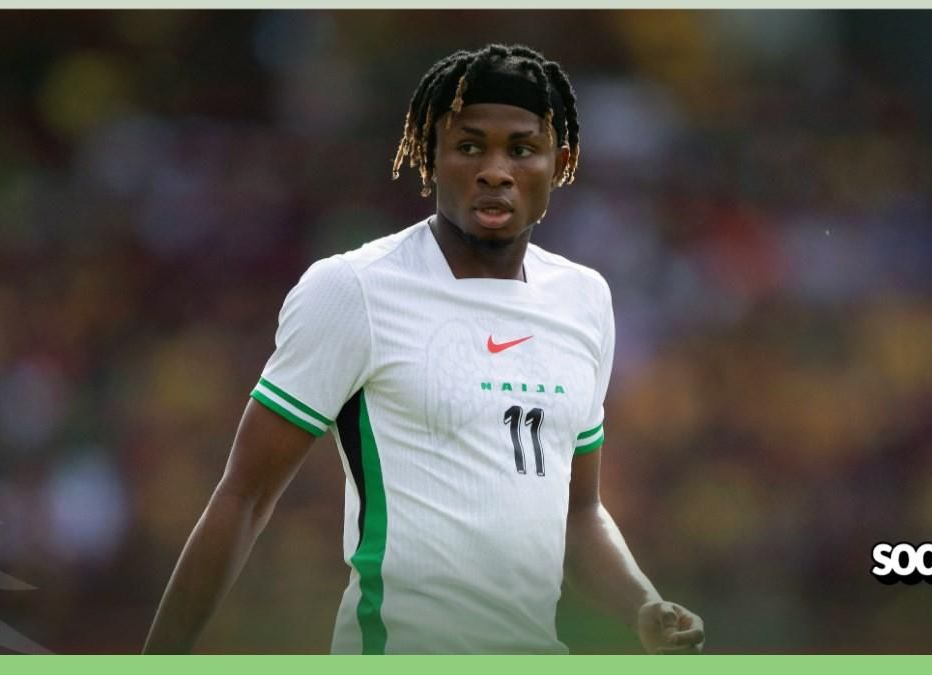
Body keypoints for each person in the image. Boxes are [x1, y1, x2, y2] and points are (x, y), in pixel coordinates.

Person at [143, 43, 705, 655]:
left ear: (560, 162)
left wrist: (643, 604)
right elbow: (244, 496)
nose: (495, 171)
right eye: (469, 146)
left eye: (521, 149)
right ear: (431, 156)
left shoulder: (584, 300)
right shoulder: (354, 290)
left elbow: (579, 511)